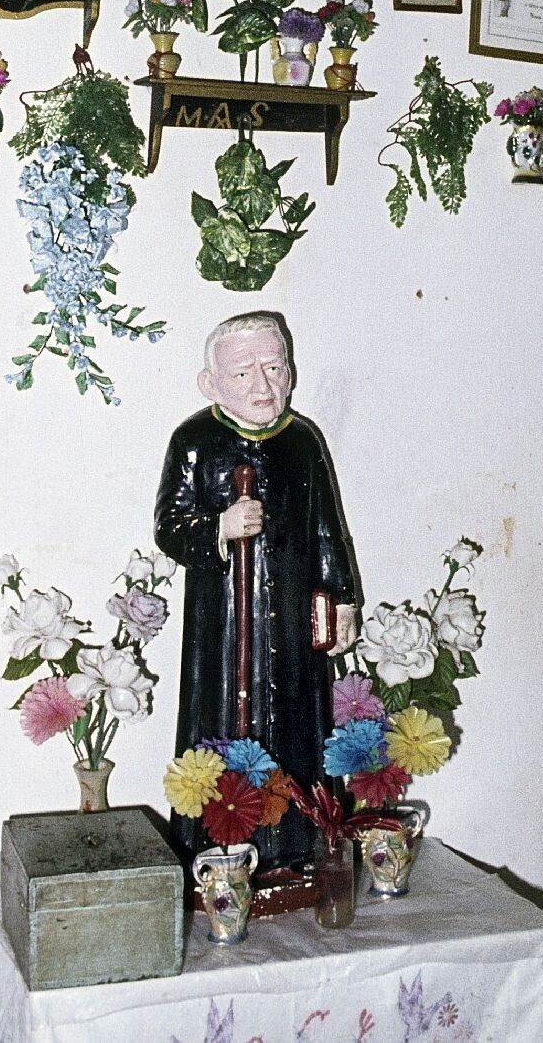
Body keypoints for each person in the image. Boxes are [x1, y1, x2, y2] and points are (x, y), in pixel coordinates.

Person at [154, 312, 360, 870]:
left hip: (291, 619)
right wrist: (218, 528)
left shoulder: (303, 442)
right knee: (222, 722)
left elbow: (327, 528)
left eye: (275, 367)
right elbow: (170, 526)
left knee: (298, 723)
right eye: (244, 373)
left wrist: (342, 598)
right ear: (211, 383)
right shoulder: (194, 442)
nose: (263, 385)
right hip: (223, 624)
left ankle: (298, 845)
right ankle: (218, 850)